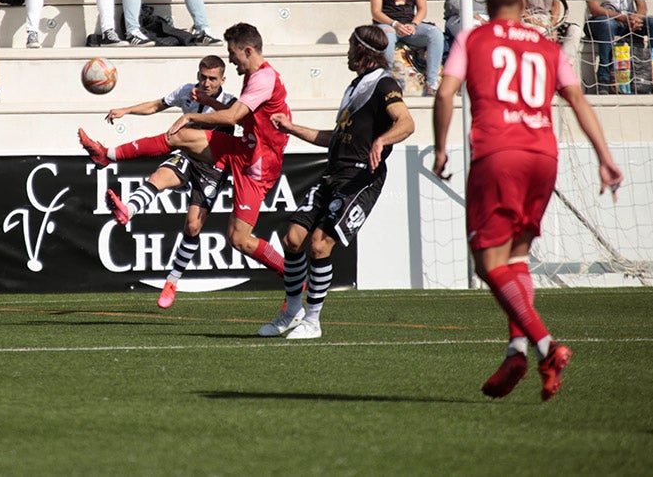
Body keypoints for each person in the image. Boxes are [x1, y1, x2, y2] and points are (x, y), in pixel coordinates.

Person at [433, 0, 624, 401]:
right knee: (517, 256)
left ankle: (545, 346)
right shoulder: (547, 45)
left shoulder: (474, 38)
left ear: (486, 2)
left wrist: (442, 148)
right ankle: (515, 349)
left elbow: (446, 94)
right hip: (543, 155)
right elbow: (576, 98)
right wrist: (605, 157)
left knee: (487, 263)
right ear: (523, 3)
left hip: (498, 154)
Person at [78, 22, 291, 287]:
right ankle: (107, 155)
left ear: (247, 51)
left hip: (258, 164)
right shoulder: (250, 76)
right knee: (177, 139)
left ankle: (291, 275)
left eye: (233, 55)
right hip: (238, 148)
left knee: (237, 239)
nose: (231, 60)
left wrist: (192, 114)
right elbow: (162, 105)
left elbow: (235, 116)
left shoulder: (263, 77)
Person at [260, 25, 414, 339]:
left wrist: (381, 141)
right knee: (293, 239)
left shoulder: (383, 84)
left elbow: (406, 122)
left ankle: (313, 321)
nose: (346, 51)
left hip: (361, 178)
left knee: (319, 245)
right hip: (334, 172)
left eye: (349, 46)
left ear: (362, 51)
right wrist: (291, 128)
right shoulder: (354, 87)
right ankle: (292, 312)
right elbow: (334, 138)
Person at [102, 55, 238, 308]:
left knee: (193, 228)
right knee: (158, 177)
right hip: (187, 155)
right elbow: (156, 105)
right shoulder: (187, 92)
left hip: (212, 167)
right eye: (202, 77)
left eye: (212, 79)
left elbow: (235, 117)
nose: (206, 83)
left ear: (222, 80)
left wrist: (208, 103)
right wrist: (127, 110)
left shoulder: (230, 102)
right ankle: (128, 210)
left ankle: (172, 280)